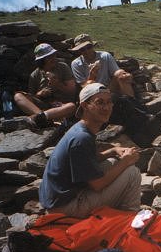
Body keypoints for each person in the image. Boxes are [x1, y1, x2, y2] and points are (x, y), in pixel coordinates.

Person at [39, 83, 142, 219]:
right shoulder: (81, 138)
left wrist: (113, 151)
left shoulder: (81, 128)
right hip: (65, 207)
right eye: (99, 103)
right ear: (85, 105)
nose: (106, 108)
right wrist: (125, 161)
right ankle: (129, 220)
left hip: (58, 199)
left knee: (112, 161)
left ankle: (118, 214)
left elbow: (87, 161)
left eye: (109, 102)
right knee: (132, 173)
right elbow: (97, 185)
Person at [70, 34, 161, 146]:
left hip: (108, 88)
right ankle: (142, 116)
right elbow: (85, 87)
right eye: (82, 49)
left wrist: (124, 74)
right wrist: (92, 75)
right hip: (92, 92)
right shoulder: (76, 64)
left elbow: (116, 72)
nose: (86, 51)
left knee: (122, 78)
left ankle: (137, 108)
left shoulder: (104, 56)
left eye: (88, 47)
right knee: (101, 91)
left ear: (92, 46)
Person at [13, 43, 76, 128]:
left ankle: (40, 118)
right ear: (42, 60)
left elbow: (72, 91)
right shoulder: (35, 75)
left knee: (71, 106)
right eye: (49, 57)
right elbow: (31, 97)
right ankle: (42, 117)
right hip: (43, 106)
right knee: (18, 96)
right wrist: (39, 94)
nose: (53, 58)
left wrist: (57, 84)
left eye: (54, 55)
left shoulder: (63, 67)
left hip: (61, 105)